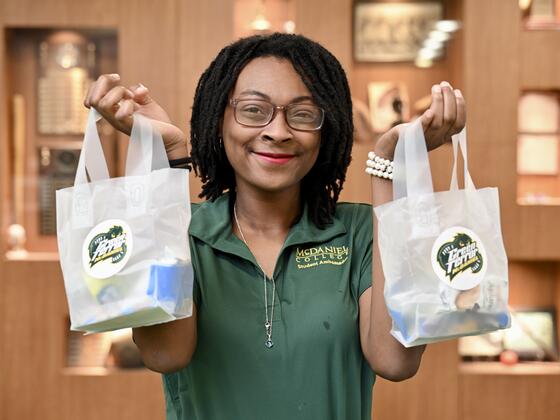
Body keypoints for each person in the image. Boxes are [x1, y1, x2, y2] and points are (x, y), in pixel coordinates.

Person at [84, 33, 465, 420]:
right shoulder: (182, 233)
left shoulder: (362, 232)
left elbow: (395, 361)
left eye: (302, 114)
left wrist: (393, 166)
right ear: (218, 119)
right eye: (253, 110)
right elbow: (165, 353)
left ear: (325, 130)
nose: (278, 131)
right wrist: (168, 159)